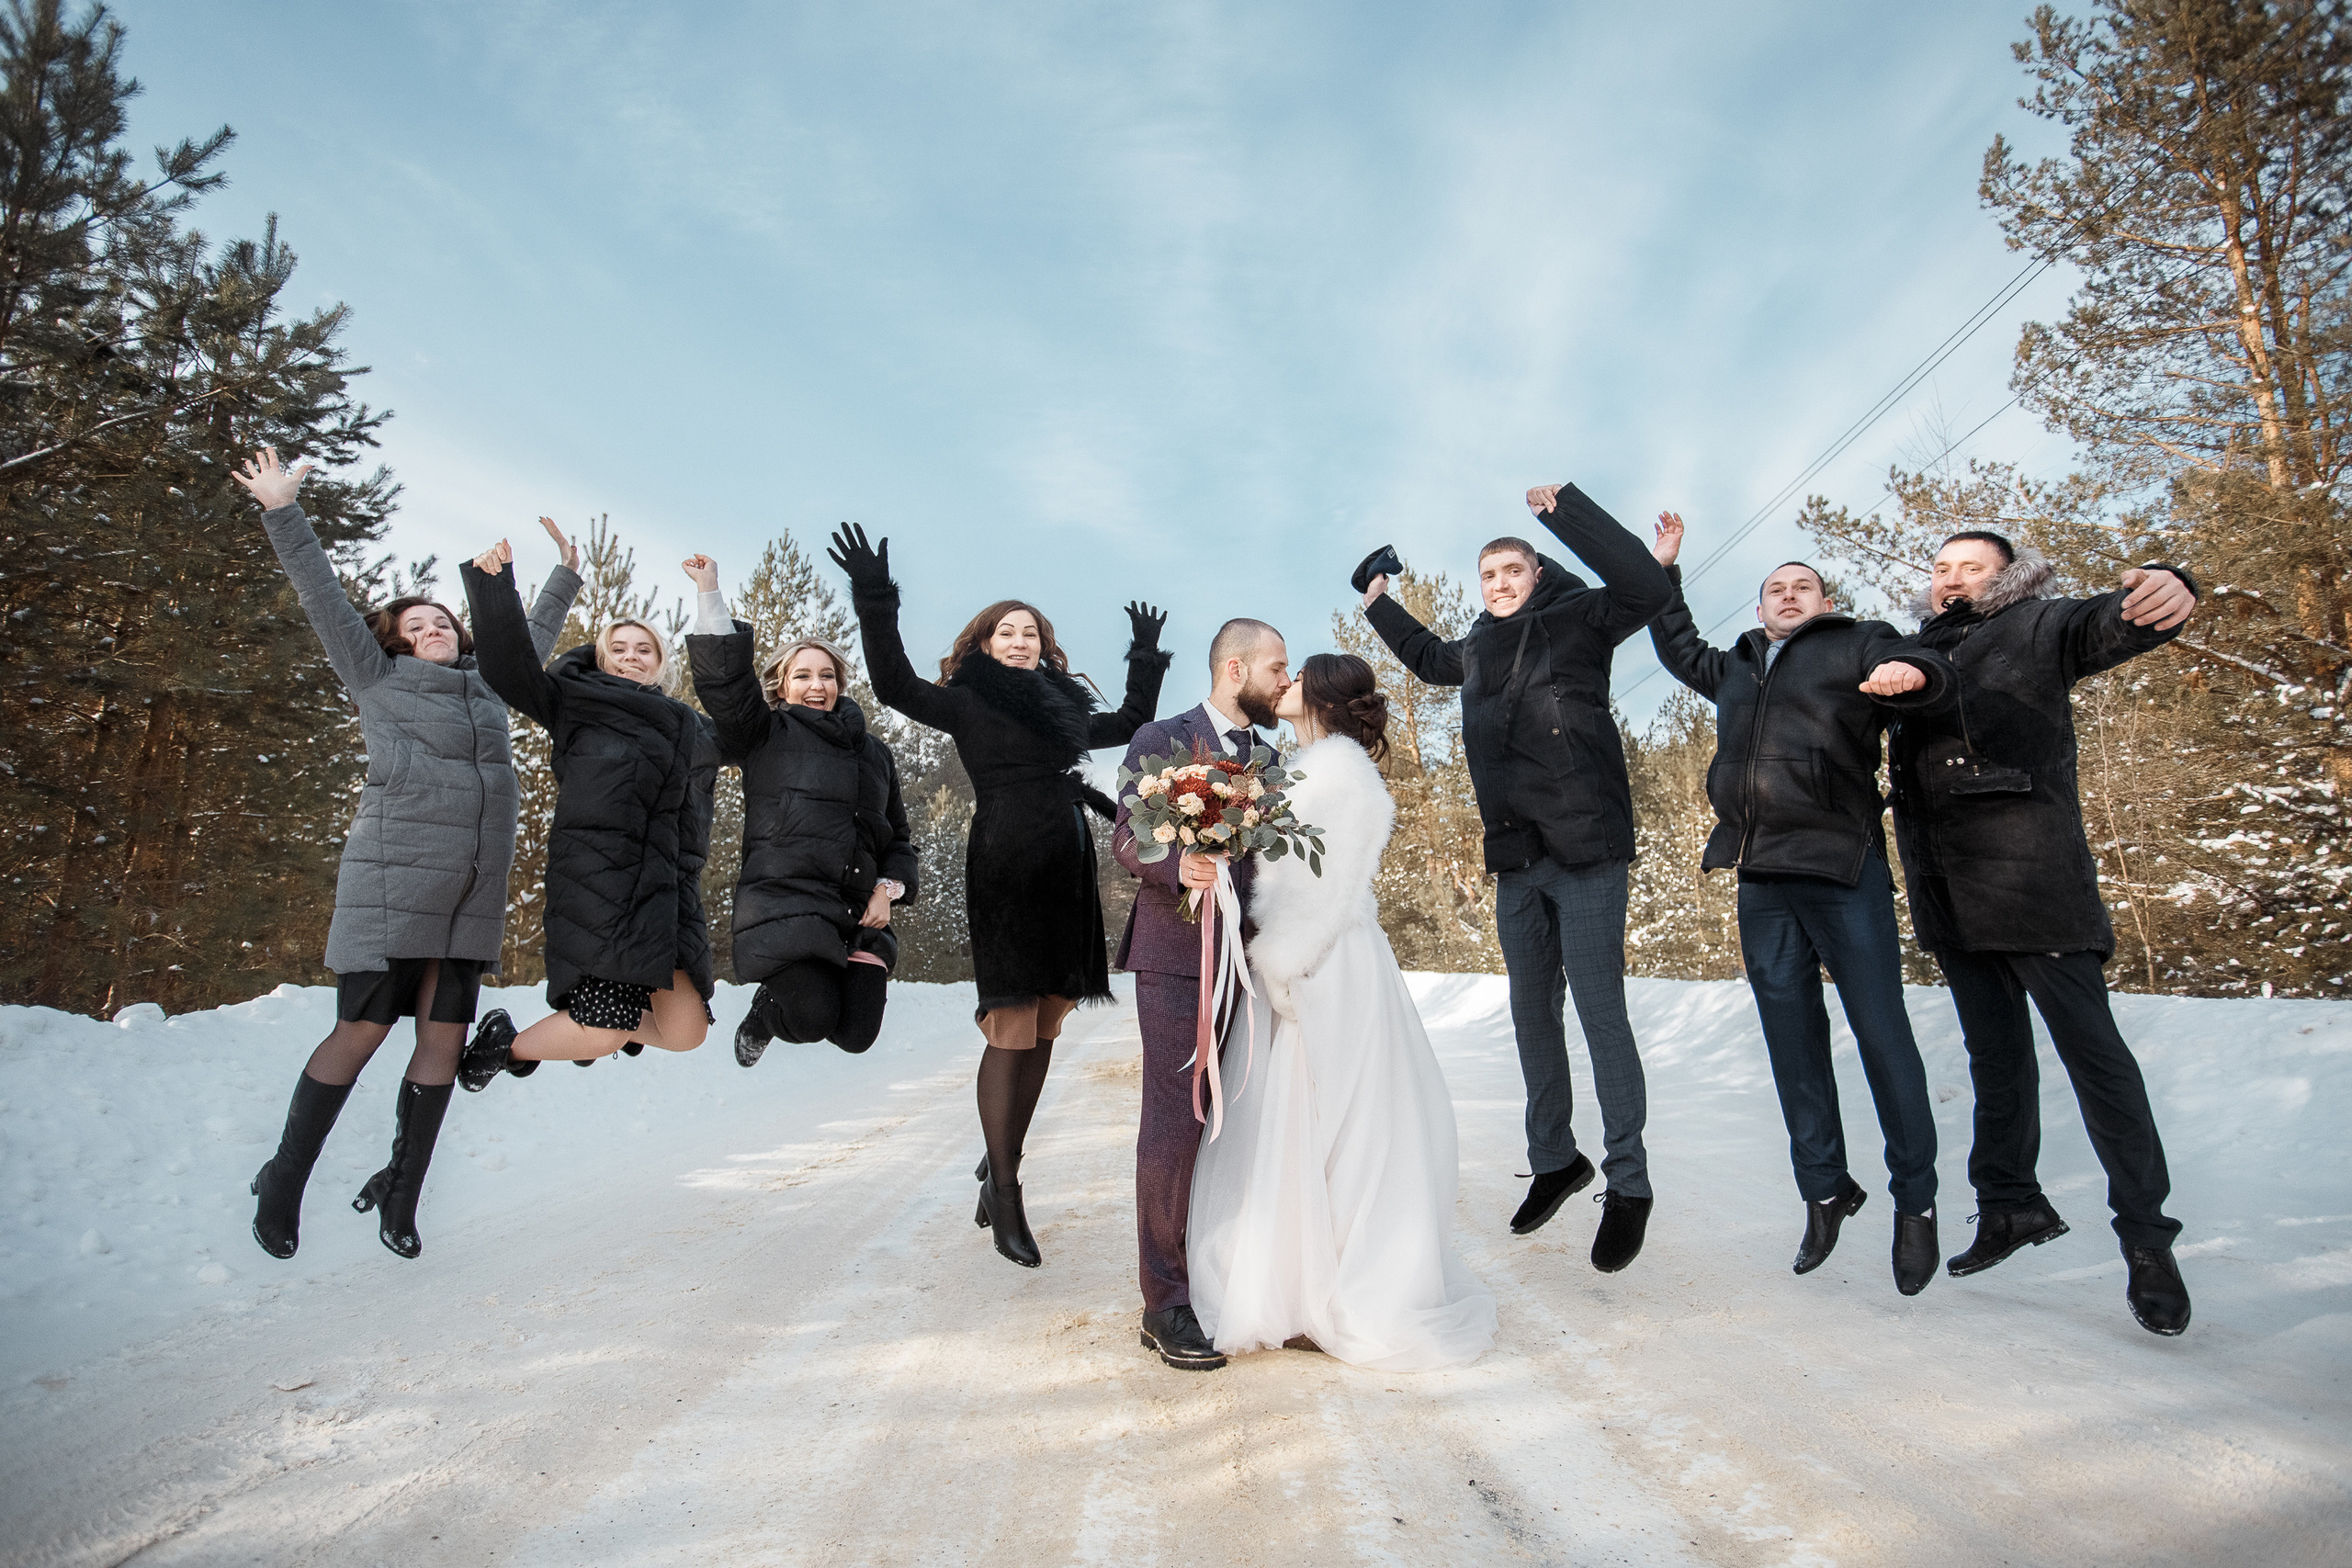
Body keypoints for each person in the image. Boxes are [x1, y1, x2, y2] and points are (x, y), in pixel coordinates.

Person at [233, 447, 581, 1261]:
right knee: (361, 1029)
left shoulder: (491, 685)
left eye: (443, 622)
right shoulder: (376, 678)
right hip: (392, 885)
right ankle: (283, 1179)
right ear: (393, 641)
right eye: (415, 625)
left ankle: (402, 1191)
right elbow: (322, 596)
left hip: (470, 894)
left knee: (443, 1040)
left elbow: (527, 638)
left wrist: (565, 576)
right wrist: (282, 509)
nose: (432, 630)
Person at [827, 524, 1169, 1270]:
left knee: (1047, 1019)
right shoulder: (967, 701)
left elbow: (1128, 723)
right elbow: (893, 683)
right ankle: (1006, 1189)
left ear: (1045, 648)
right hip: (1007, 864)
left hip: (1065, 863)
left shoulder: (1063, 710)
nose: (1020, 640)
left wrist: (1143, 658)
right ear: (984, 643)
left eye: (1031, 633)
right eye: (1007, 631)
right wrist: (875, 599)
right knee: (1011, 1022)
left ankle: (1000, 1155)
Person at [1887, 530, 2199, 1336]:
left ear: (2008, 577)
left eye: (1972, 567)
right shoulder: (1915, 651)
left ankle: (2147, 1238)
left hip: (2033, 886)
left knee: (2097, 1062)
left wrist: (2166, 588)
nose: (1953, 578)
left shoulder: (2039, 623)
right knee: (1996, 1060)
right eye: (1942, 567)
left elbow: (2111, 623)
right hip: (1950, 895)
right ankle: (2009, 1206)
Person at [1361, 482, 1674, 1272]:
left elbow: (1643, 588)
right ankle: (1555, 1160)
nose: (1499, 584)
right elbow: (1426, 657)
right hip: (1517, 858)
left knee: (1601, 1014)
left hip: (1587, 851)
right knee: (1533, 1014)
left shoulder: (1581, 621)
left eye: (1512, 571)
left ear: (1537, 574)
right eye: (1488, 575)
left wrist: (1565, 512)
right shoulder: (1475, 649)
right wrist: (1378, 602)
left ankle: (1629, 1181)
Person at [1646, 513, 1957, 1294]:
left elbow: (1920, 664)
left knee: (1882, 1034)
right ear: (1759, 609)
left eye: (1803, 586)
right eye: (1776, 589)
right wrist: (1666, 569)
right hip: (1761, 876)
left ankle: (1915, 1200)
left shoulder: (1857, 643)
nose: (1789, 595)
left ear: (1824, 603)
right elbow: (1676, 642)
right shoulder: (1738, 667)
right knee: (1792, 1043)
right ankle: (1824, 1189)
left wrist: (1909, 672)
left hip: (1841, 866)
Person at [1188, 654, 1498, 1370]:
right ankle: (1301, 1282)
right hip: (1302, 955)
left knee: (1339, 1123)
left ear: (1322, 695)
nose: (1285, 683)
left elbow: (1326, 889)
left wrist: (1284, 965)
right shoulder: (1304, 769)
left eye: (1298, 676)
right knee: (1302, 1120)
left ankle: (1336, 1285)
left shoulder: (1340, 775)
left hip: (1325, 959)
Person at [454, 541, 715, 1085]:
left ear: (661, 664)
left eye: (644, 649)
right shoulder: (574, 701)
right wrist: (495, 588)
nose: (631, 656)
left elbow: (740, 738)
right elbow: (508, 668)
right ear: (601, 657)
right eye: (618, 648)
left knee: (686, 1032)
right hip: (599, 884)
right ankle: (511, 1044)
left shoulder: (685, 724)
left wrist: (710, 595)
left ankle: (596, 1026)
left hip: (667, 894)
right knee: (602, 1032)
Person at [1110, 615, 1292, 1371]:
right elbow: (1126, 836)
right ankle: (1165, 1302)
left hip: (1253, 964)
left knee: (1239, 1122)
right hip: (1178, 958)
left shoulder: (1271, 758)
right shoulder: (1160, 738)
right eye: (1276, 667)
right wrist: (1175, 864)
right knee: (1176, 1120)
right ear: (1234, 668)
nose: (1285, 681)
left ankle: (1226, 1277)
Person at [682, 555, 918, 1060]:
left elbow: (898, 837)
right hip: (785, 904)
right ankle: (767, 1011)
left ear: (840, 684)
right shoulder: (766, 733)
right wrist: (709, 592)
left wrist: (888, 889)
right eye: (803, 676)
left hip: (859, 913)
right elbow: (727, 686)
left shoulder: (874, 753)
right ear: (782, 686)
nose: (817, 686)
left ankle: (809, 993)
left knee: (855, 1036)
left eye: (827, 675)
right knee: (811, 1018)